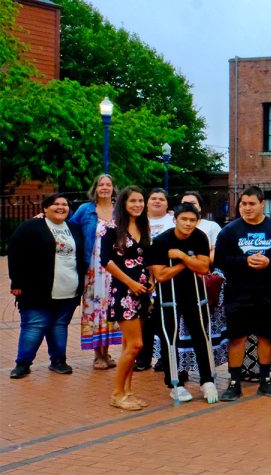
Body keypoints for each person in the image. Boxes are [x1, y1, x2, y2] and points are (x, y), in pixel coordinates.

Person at [216, 186, 271, 401]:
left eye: (251, 204)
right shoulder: (229, 231)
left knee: (266, 337)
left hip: (267, 292)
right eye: (243, 204)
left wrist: (269, 262)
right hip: (238, 293)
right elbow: (220, 261)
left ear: (262, 204)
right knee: (237, 337)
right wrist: (244, 261)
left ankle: (265, 380)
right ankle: (234, 382)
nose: (247, 208)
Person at [8, 193, 88, 379]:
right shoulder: (31, 226)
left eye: (64, 204)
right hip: (37, 290)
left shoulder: (74, 228)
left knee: (59, 325)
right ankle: (23, 364)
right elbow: (14, 251)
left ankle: (58, 361)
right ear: (45, 208)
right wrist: (16, 281)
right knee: (34, 326)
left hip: (68, 289)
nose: (61, 207)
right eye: (55, 204)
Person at [148, 203, 218, 404]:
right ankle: (174, 383)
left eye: (192, 220)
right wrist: (187, 262)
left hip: (194, 294)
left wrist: (181, 256)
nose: (188, 224)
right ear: (175, 220)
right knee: (170, 336)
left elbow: (204, 268)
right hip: (169, 296)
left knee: (201, 334)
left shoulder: (200, 237)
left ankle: (207, 379)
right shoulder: (161, 241)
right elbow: (161, 275)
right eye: (184, 219)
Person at [100, 186, 151, 410]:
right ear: (123, 203)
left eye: (141, 201)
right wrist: (129, 282)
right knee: (136, 345)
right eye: (133, 201)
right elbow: (106, 260)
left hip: (142, 292)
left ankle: (128, 391)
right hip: (123, 293)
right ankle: (116, 394)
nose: (138, 204)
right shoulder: (111, 228)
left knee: (128, 346)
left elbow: (146, 260)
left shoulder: (143, 226)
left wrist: (150, 281)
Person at [171, 191, 229, 385]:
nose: (189, 207)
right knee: (180, 329)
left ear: (200, 207)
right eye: (185, 203)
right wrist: (191, 261)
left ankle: (207, 371)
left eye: (193, 203)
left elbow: (212, 255)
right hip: (177, 284)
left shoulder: (210, 228)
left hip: (203, 284)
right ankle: (180, 369)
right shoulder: (172, 231)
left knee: (201, 329)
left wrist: (188, 260)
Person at [70, 174, 120, 369]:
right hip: (92, 268)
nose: (105, 187)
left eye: (108, 184)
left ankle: (106, 353)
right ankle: (97, 355)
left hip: (114, 268)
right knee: (94, 309)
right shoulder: (86, 210)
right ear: (95, 188)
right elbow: (70, 229)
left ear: (114, 188)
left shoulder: (119, 211)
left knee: (109, 309)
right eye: (101, 184)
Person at [137, 188, 173, 372]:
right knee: (144, 320)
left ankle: (164, 358)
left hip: (166, 276)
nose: (157, 201)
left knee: (163, 320)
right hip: (142, 277)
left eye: (161, 199)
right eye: (153, 198)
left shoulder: (172, 221)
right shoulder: (138, 221)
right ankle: (143, 358)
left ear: (167, 204)